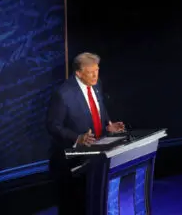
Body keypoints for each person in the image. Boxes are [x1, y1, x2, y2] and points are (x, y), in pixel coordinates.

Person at [46, 52, 125, 214]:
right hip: (70, 162)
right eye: (91, 72)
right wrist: (77, 138)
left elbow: (98, 110)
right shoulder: (64, 94)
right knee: (75, 208)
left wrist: (108, 126)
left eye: (97, 70)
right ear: (79, 73)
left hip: (95, 157)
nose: (95, 75)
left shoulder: (97, 84)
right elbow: (53, 126)